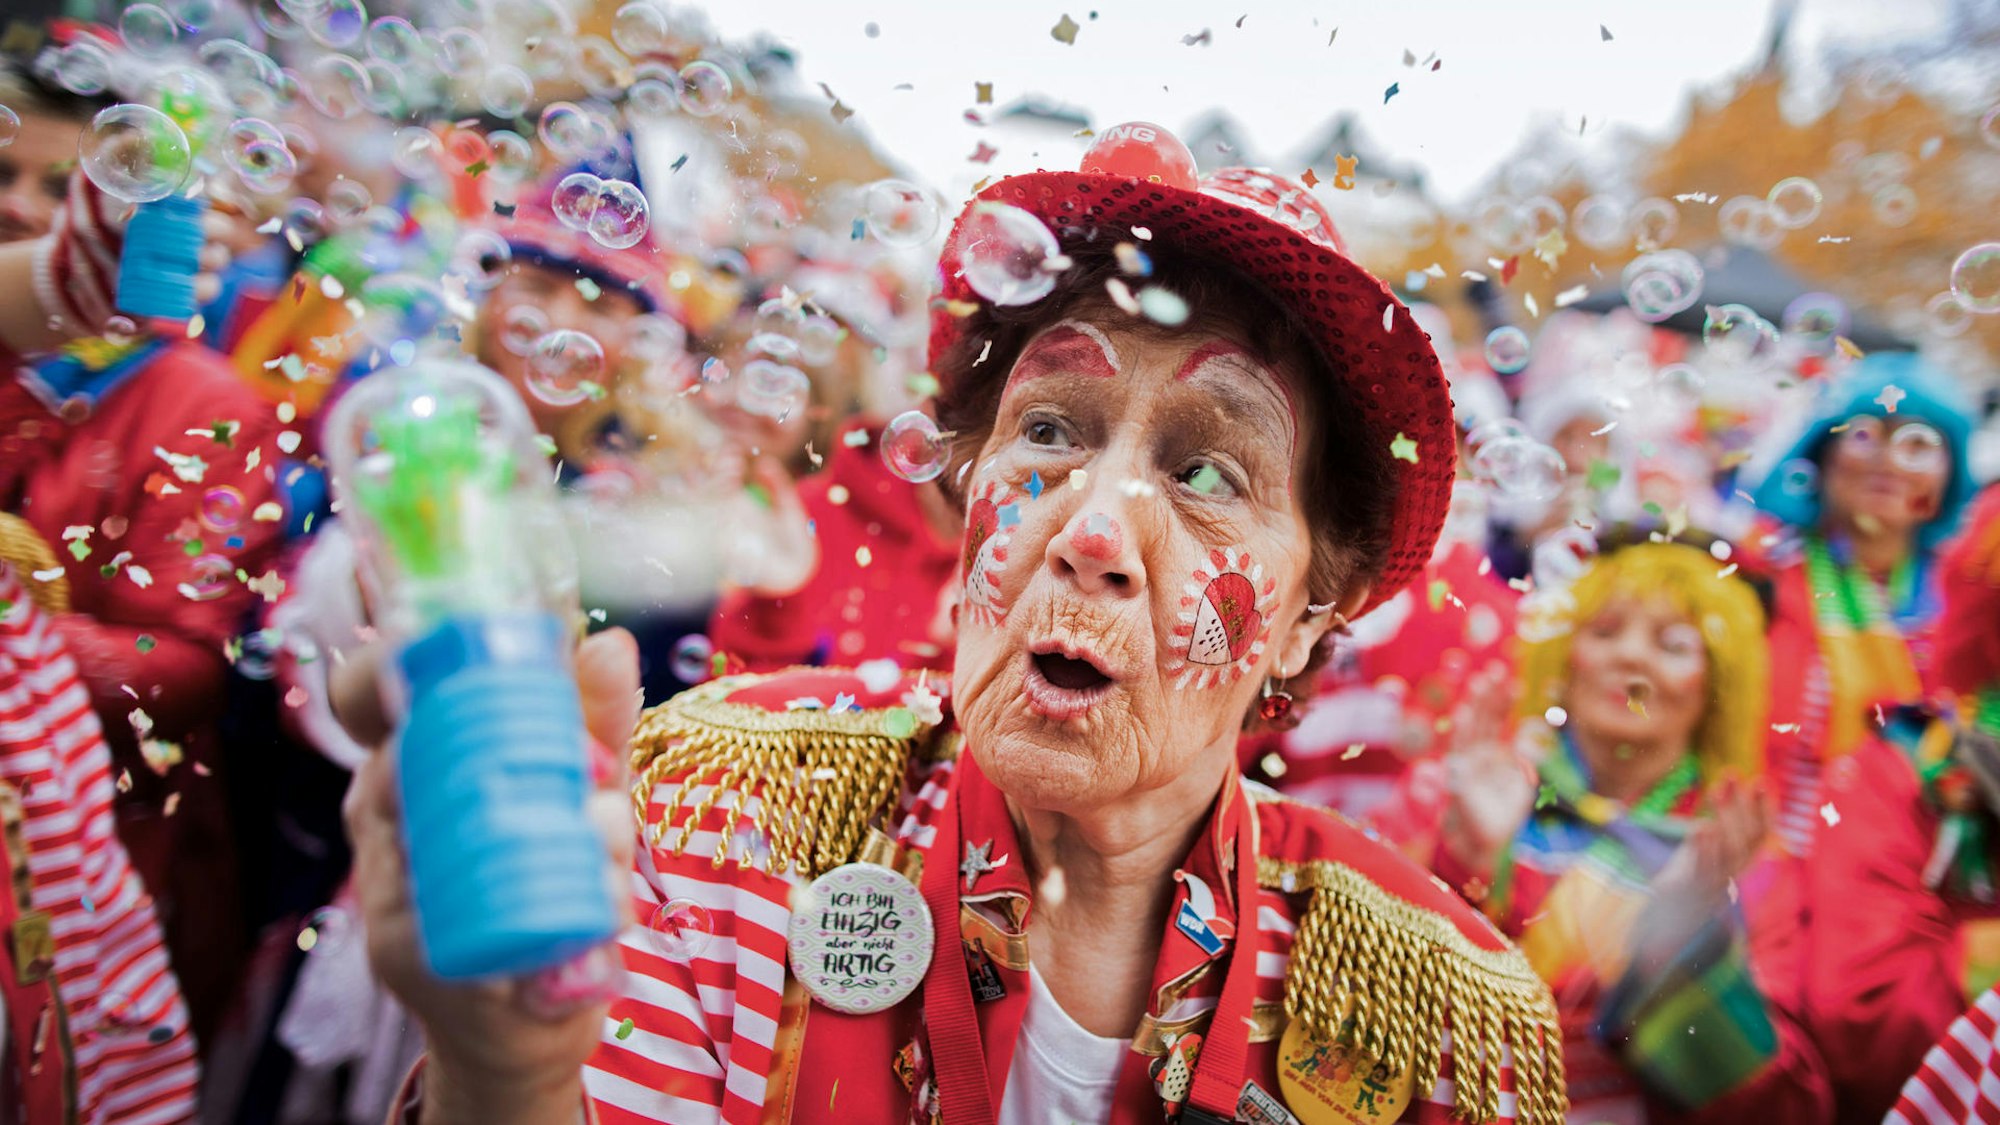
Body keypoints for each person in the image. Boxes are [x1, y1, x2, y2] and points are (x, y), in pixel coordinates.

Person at [338, 125, 1568, 1123]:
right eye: (1049, 430)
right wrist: (505, 1077)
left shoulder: (1435, 1019)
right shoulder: (727, 819)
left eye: (1206, 473)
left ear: (1310, 614)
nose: (1092, 530)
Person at [1432, 540, 1833, 1121]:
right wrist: (1465, 863)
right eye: (1604, 632)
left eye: (1672, 645)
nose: (1631, 657)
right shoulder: (1478, 792)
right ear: (1565, 655)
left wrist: (1682, 952)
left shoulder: (1743, 857)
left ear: (1718, 682)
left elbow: (1787, 1107)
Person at [1747, 353, 1976, 858]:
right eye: (1866, 435)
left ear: (1949, 476)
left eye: (1918, 444)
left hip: (1896, 882)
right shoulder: (1757, 576)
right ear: (1822, 454)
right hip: (1755, 873)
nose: (1889, 461)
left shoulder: (1967, 610)